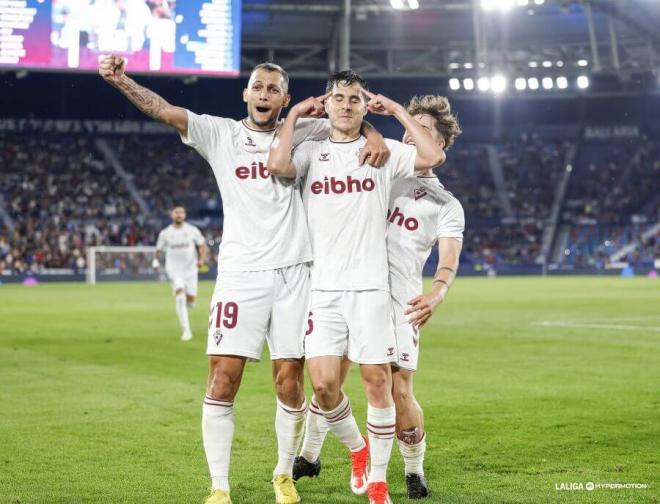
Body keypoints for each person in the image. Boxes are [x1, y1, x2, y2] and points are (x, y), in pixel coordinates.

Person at [98, 56, 389, 504]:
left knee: (289, 382)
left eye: (274, 89)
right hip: (240, 275)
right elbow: (163, 109)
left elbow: (349, 126)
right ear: (246, 94)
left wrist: (372, 133)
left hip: (296, 273)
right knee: (221, 380)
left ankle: (283, 473)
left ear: (285, 100)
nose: (264, 95)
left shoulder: (306, 133)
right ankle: (219, 486)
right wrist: (120, 80)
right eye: (258, 87)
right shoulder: (221, 134)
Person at [268, 71, 445, 504]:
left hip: (370, 291)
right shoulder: (311, 152)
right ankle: (358, 450)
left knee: (376, 383)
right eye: (338, 98)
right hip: (324, 290)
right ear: (325, 104)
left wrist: (396, 112)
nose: (345, 105)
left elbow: (433, 155)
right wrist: (293, 113)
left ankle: (380, 483)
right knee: (325, 388)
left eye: (354, 99)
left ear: (365, 107)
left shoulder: (383, 155)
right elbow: (276, 165)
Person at [153, 205, 206, 341]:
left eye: (181, 212)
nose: (179, 215)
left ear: (185, 215)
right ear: (172, 215)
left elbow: (202, 245)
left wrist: (201, 260)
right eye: (176, 212)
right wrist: (155, 260)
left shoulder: (192, 230)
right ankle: (186, 331)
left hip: (190, 269)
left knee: (191, 300)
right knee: (180, 297)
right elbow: (158, 249)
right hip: (174, 269)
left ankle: (190, 300)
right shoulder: (165, 233)